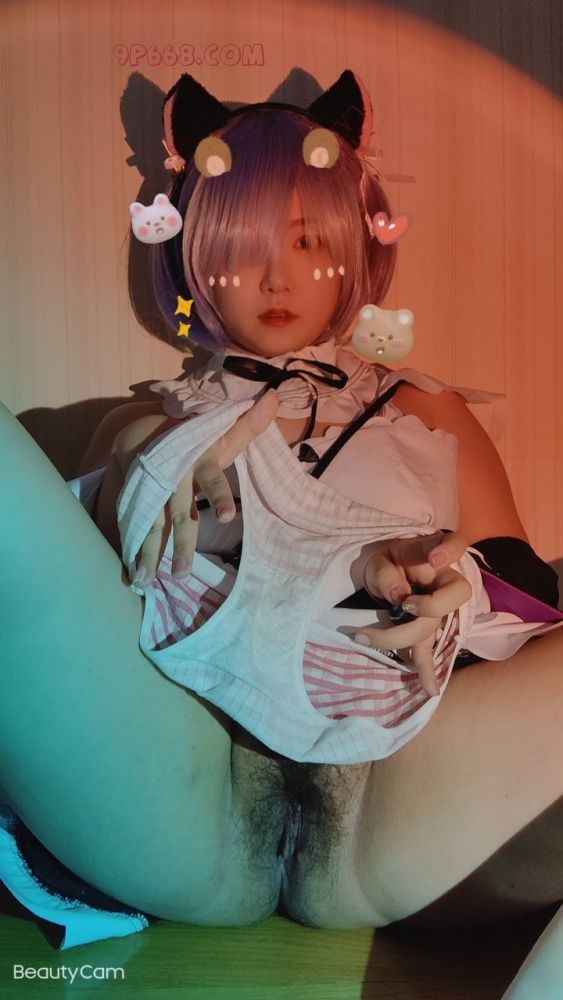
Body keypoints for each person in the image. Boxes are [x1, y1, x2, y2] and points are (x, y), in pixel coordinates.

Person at [0, 70, 562, 951]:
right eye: (244, 244)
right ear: (195, 257)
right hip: (181, 787)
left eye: (306, 241)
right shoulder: (147, 423)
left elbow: (523, 590)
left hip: (404, 791)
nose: (275, 274)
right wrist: (147, 455)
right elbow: (81, 631)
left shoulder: (428, 411)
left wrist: (445, 580)